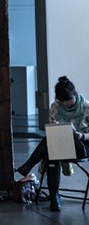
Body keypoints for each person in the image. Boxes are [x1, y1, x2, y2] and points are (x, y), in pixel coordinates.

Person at [15, 76, 89, 211]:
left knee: (52, 147)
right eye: (63, 102)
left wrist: (81, 135)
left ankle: (28, 166)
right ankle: (54, 197)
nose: (66, 104)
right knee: (52, 151)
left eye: (69, 100)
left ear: (75, 94)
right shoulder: (55, 107)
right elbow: (52, 129)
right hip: (62, 145)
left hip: (82, 145)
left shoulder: (86, 107)